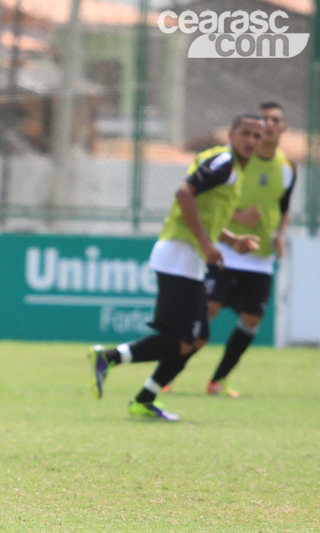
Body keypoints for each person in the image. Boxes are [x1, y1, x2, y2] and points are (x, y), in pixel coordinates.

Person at [86, 112, 263, 421]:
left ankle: (144, 398)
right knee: (178, 340)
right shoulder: (224, 163)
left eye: (256, 136)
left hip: (188, 258)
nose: (250, 140)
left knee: (196, 339)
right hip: (180, 254)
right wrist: (208, 245)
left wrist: (230, 240)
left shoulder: (227, 166)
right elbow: (184, 193)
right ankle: (108, 357)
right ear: (231, 134)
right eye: (245, 133)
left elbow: (204, 212)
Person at [201, 101, 296, 397]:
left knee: (252, 318)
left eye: (274, 120)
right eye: (263, 119)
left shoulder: (287, 168)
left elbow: (284, 208)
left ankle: (217, 380)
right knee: (209, 308)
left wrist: (280, 235)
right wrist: (237, 217)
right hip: (227, 249)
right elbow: (209, 201)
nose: (268, 125)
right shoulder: (238, 159)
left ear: (283, 128)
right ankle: (169, 370)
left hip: (259, 257)